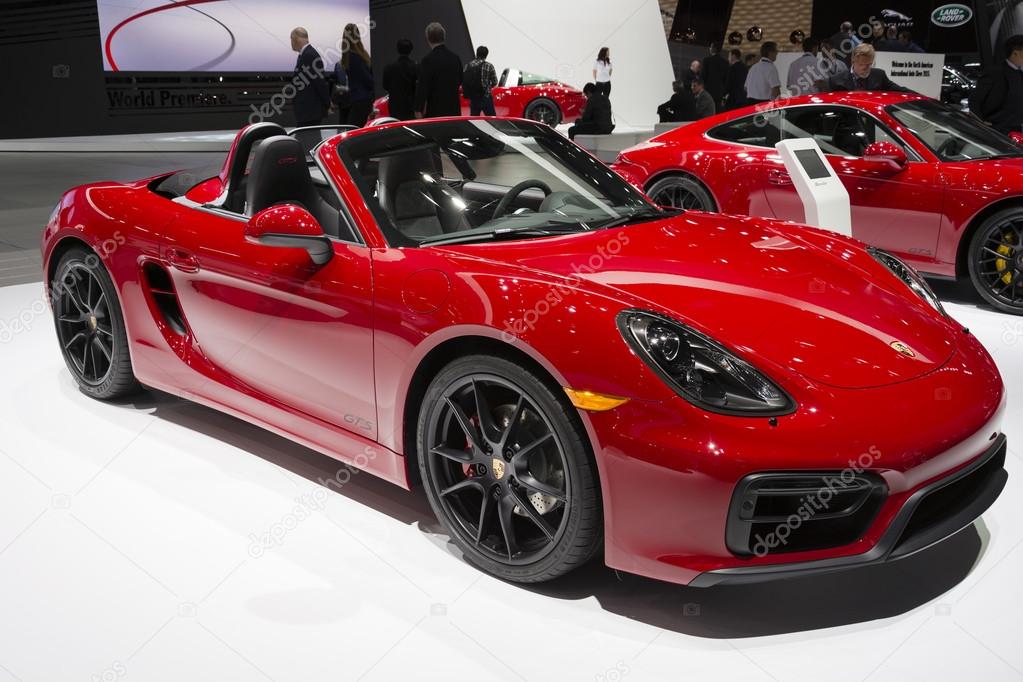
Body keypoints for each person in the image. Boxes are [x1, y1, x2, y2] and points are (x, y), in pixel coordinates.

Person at [970, 34, 1023, 135]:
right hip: (995, 130)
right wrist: (980, 122)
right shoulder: (994, 73)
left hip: (1016, 129)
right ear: (1015, 53)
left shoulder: (1019, 73)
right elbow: (974, 99)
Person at [414, 22, 463, 118]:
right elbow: (460, 80)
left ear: (428, 39)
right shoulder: (455, 58)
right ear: (444, 37)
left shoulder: (427, 60)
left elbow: (422, 87)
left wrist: (418, 109)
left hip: (435, 111)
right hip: (454, 110)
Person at [828, 43, 912, 92]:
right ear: (853, 61)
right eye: (861, 64)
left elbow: (899, 90)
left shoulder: (879, 75)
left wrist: (921, 98)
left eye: (869, 64)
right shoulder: (836, 81)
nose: (866, 68)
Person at [289, 27, 330, 129]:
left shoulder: (309, 55)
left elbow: (319, 82)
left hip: (309, 111)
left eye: (291, 40)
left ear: (296, 39)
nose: (291, 43)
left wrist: (327, 103)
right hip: (307, 111)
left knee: (309, 140)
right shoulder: (304, 55)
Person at [341, 23, 374, 126]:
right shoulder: (360, 56)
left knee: (353, 129)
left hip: (357, 100)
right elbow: (368, 80)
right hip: (363, 99)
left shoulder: (349, 57)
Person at [382, 39, 418, 120]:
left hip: (395, 105)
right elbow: (417, 87)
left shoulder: (389, 67)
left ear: (397, 49)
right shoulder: (415, 67)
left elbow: (385, 86)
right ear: (411, 50)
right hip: (410, 105)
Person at [464, 45, 498, 115]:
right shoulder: (489, 66)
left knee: (474, 120)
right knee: (491, 119)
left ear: (477, 53)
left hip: (473, 98)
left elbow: (464, 80)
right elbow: (495, 82)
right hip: (486, 97)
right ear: (486, 55)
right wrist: (488, 86)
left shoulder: (467, 65)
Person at [701, 42, 728, 112]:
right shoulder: (725, 62)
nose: (709, 48)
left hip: (708, 91)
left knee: (708, 111)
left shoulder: (707, 60)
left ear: (713, 49)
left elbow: (703, 76)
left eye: (710, 47)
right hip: (719, 92)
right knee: (717, 111)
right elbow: (726, 78)